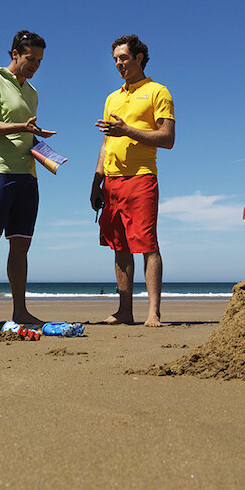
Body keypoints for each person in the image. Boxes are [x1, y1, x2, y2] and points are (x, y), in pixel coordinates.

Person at [89, 35, 175, 327]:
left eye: (123, 58)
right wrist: (96, 181)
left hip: (141, 178)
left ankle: (153, 313)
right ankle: (124, 311)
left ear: (139, 57)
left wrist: (127, 130)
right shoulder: (112, 97)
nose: (118, 64)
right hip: (111, 183)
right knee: (119, 246)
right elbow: (105, 143)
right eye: (115, 59)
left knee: (148, 245)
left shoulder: (157, 91)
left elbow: (167, 138)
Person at [0, 30, 55, 325]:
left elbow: (24, 133)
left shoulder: (31, 92)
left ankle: (20, 310)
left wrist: (43, 147)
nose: (35, 65)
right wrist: (22, 126)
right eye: (31, 58)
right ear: (14, 54)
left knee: (20, 245)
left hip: (27, 176)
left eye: (40, 60)